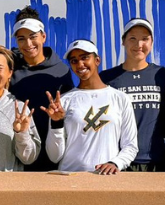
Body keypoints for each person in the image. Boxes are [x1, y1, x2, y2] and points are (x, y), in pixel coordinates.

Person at [43, 40, 138, 174]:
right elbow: (54, 156)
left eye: (84, 58)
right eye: (74, 61)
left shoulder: (120, 98)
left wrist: (115, 163)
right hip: (70, 179)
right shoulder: (63, 102)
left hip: (106, 179)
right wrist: (56, 123)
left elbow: (130, 146)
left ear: (97, 60)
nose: (80, 64)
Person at [99, 18, 165, 171]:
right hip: (117, 162)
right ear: (123, 42)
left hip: (156, 161)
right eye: (132, 38)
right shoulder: (107, 77)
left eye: (145, 39)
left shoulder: (161, 75)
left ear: (152, 42)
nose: (139, 45)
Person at [8, 6, 75, 171]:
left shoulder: (61, 71)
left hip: (53, 157)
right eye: (21, 38)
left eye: (33, 37)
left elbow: (67, 115)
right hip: (17, 156)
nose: (28, 44)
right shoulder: (9, 66)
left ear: (43, 37)